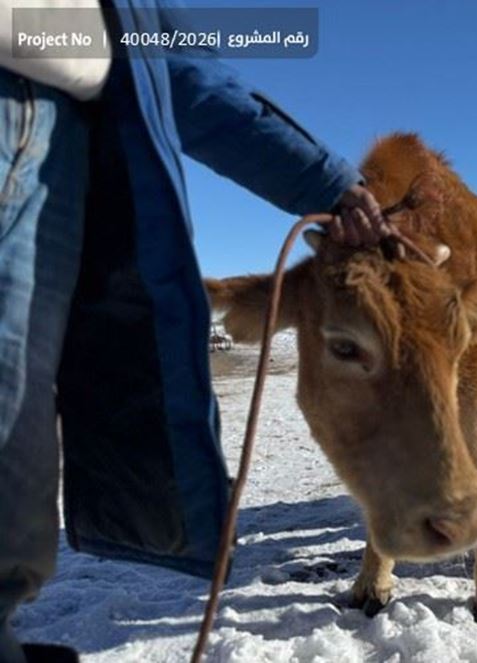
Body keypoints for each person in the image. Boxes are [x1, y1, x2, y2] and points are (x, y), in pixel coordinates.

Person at [0, 4, 392, 661]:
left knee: (21, 413)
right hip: (19, 115)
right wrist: (332, 182)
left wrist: (330, 182)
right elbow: (189, 79)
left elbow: (183, 74)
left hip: (59, 148)